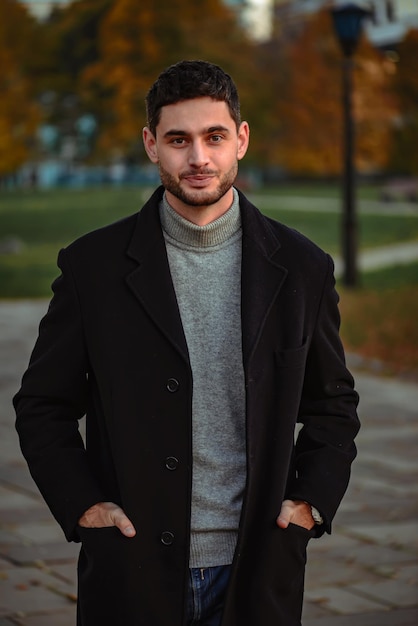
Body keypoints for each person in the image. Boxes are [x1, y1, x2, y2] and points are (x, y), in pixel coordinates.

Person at [14, 60, 360, 626]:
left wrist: (308, 506)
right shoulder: (91, 268)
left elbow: (333, 406)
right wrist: (82, 507)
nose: (198, 158)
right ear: (152, 145)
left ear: (241, 140)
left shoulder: (303, 268)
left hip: (260, 566)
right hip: (132, 568)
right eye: (179, 139)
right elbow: (42, 406)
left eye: (214, 137)